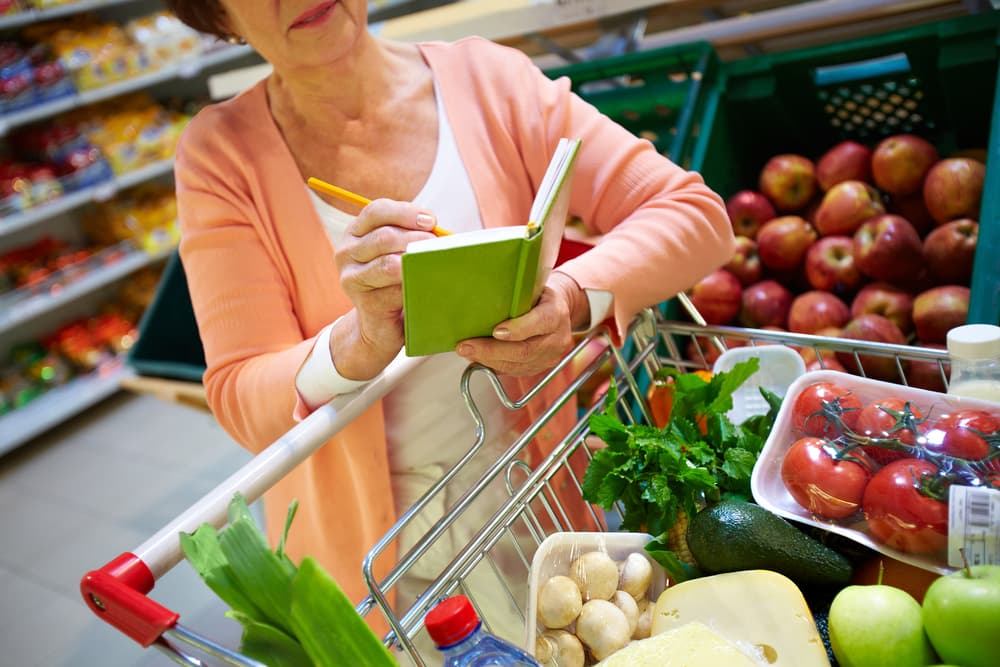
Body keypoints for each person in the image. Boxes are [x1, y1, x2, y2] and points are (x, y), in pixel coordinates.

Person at [165, 0, 734, 649]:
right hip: (374, 569)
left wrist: (573, 296)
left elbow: (693, 214)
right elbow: (241, 396)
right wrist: (357, 342)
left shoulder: (490, 83)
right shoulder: (222, 156)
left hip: (541, 517)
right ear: (216, 15)